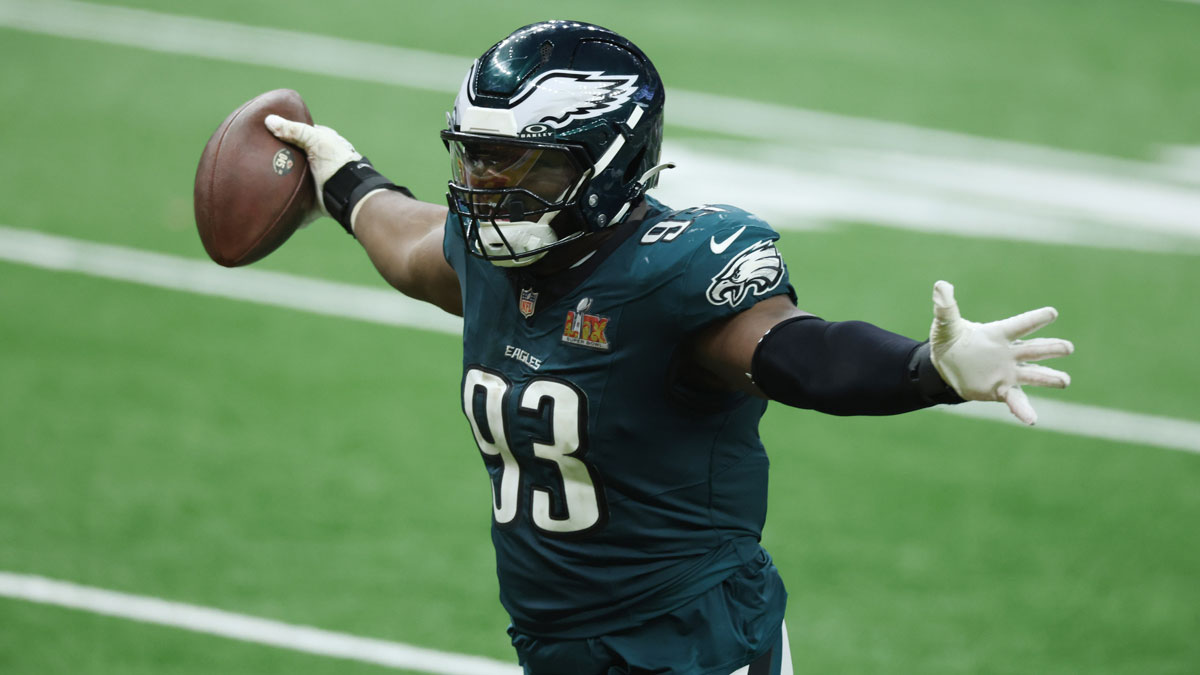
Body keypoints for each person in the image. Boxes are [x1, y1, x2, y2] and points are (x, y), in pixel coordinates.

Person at [263, 20, 1073, 675]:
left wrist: (925, 369)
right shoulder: (492, 254)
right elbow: (405, 245)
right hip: (557, 636)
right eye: (472, 154)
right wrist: (343, 179)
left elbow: (802, 355)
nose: (479, 184)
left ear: (605, 164)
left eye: (513, 162)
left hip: (685, 639)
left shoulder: (670, 272)